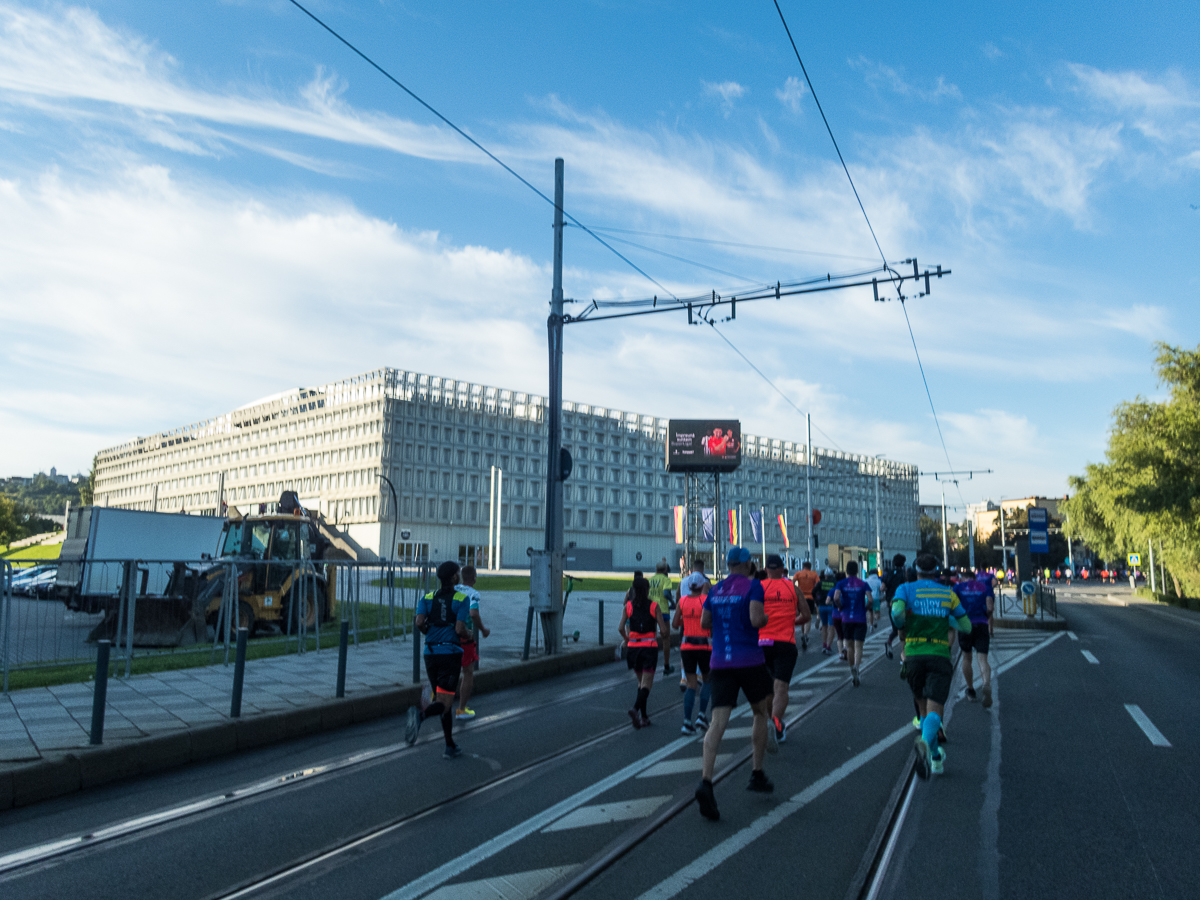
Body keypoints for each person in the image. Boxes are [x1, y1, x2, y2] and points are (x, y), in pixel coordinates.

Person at [694, 547, 774, 821]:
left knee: (717, 723)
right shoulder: (753, 587)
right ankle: (757, 772)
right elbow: (755, 619)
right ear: (748, 563)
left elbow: (705, 622)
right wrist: (765, 619)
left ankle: (706, 780)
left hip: (720, 663)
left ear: (728, 565)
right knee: (760, 712)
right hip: (749, 660)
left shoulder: (715, 590)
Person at [890, 553, 972, 778]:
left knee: (924, 712)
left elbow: (897, 613)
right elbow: (966, 626)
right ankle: (926, 743)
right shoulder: (947, 593)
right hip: (938, 655)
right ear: (936, 571)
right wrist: (947, 619)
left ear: (915, 570)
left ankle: (935, 757)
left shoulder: (905, 590)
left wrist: (903, 623)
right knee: (936, 711)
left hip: (914, 656)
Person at [406, 561, 472, 759]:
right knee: (445, 702)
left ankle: (449, 745)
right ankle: (420, 716)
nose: (459, 576)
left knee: (444, 700)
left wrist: (429, 632)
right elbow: (460, 629)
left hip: (430, 653)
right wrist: (470, 635)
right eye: (458, 573)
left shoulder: (426, 598)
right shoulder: (461, 598)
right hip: (449, 654)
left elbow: (419, 622)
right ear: (453, 577)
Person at [760, 554, 810, 745]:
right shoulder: (792, 588)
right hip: (785, 643)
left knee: (767, 689)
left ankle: (769, 721)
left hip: (762, 644)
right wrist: (792, 621)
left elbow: (752, 617)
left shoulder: (759, 588)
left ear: (766, 570)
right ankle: (776, 722)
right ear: (782, 569)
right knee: (781, 689)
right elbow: (806, 615)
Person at [618, 574, 662, 728]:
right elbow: (664, 630)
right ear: (647, 590)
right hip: (649, 648)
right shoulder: (654, 606)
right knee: (647, 684)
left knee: (640, 682)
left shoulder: (628, 607)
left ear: (634, 591)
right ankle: (635, 709)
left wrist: (628, 638)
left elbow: (620, 628)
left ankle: (644, 717)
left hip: (633, 649)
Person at [672, 577, 712, 733]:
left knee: (690, 684)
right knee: (707, 680)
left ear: (689, 586)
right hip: (704, 646)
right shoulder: (706, 600)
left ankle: (686, 722)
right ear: (702, 585)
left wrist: (687, 621)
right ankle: (702, 715)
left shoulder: (682, 601)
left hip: (687, 646)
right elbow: (711, 621)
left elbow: (675, 625)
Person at [953, 568, 996, 708]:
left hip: (965, 625)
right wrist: (986, 618)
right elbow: (990, 607)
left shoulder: (958, 587)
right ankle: (986, 684)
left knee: (966, 657)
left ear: (963, 578)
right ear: (975, 579)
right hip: (982, 624)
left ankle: (971, 690)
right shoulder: (984, 587)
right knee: (983, 659)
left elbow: (952, 606)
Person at [455, 565, 490, 720]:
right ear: (474, 577)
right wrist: (482, 629)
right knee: (467, 672)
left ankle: (438, 703)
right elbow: (473, 613)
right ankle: (461, 710)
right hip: (465, 637)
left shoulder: (453, 589)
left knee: (449, 671)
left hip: (448, 636)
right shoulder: (473, 594)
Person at [833, 561, 871, 685]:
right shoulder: (863, 584)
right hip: (860, 618)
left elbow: (836, 597)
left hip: (846, 618)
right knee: (859, 646)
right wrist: (865, 608)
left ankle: (851, 670)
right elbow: (870, 599)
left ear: (847, 570)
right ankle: (857, 668)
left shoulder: (841, 583)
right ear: (857, 570)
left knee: (849, 646)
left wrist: (840, 606)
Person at [649, 560, 675, 676]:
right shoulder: (666, 580)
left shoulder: (650, 580)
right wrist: (672, 602)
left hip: (650, 610)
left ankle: (650, 665)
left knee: (651, 638)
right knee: (666, 638)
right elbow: (665, 593)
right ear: (665, 570)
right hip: (663, 610)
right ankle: (666, 665)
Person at [882, 554, 908, 659]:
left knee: (895, 627)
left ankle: (889, 642)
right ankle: (904, 654)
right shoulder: (903, 574)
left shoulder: (888, 573)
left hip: (890, 603)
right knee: (902, 629)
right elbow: (906, 586)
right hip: (901, 603)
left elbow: (882, 587)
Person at [792, 561, 820, 652]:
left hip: (801, 598)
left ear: (803, 566)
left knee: (802, 616)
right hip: (810, 598)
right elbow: (818, 583)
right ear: (810, 567)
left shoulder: (798, 574)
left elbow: (793, 582)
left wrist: (797, 590)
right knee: (809, 617)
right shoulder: (814, 574)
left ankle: (803, 634)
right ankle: (806, 635)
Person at [817, 566, 838, 656]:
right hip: (831, 607)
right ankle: (828, 646)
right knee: (831, 627)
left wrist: (818, 599)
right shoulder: (835, 583)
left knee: (824, 626)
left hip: (822, 606)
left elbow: (814, 592)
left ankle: (824, 645)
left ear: (825, 575)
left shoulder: (820, 583)